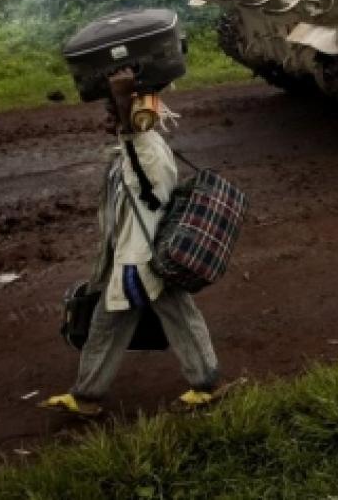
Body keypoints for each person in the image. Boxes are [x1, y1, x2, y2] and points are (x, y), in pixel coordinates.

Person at [41, 69, 219, 416]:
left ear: (135, 116)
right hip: (139, 256)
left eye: (114, 115)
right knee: (125, 321)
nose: (109, 121)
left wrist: (123, 95)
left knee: (127, 321)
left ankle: (205, 385)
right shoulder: (138, 147)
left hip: (141, 261)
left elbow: (131, 130)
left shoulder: (145, 148)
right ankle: (88, 395)